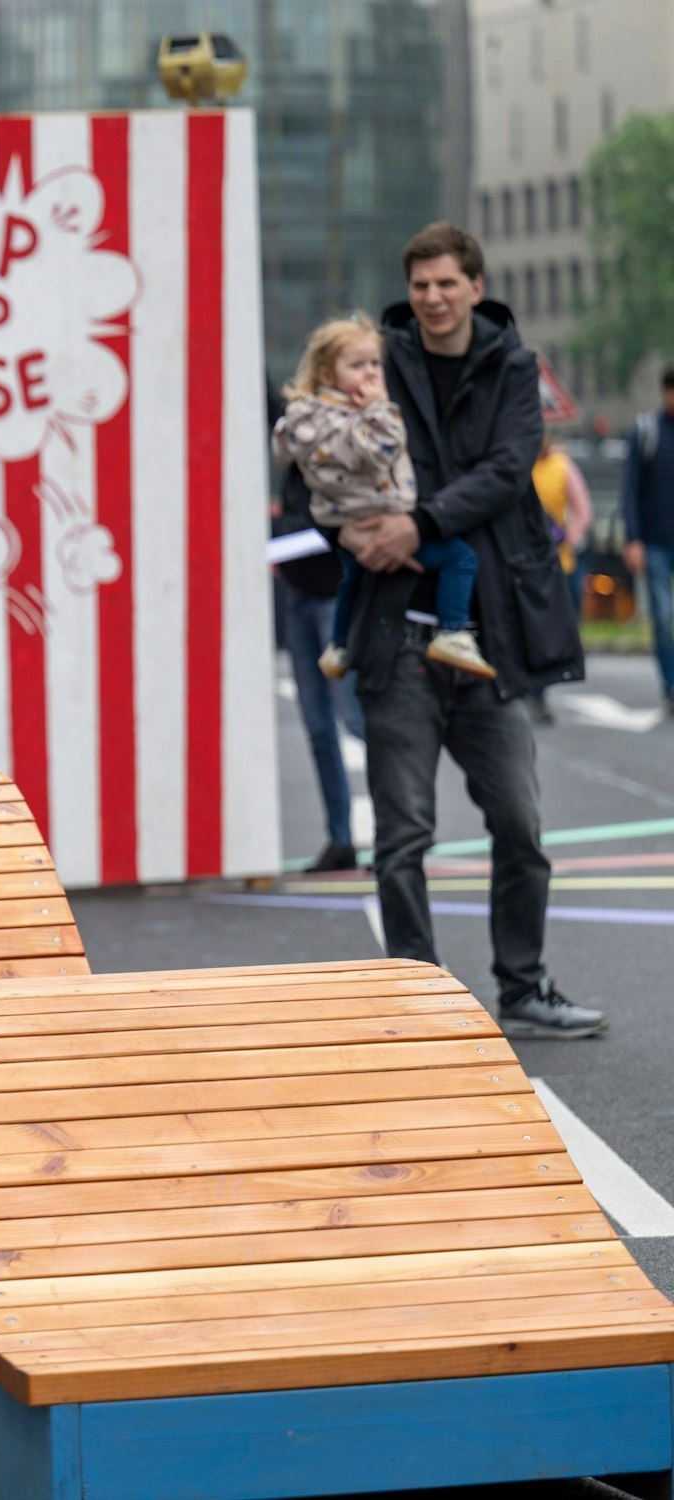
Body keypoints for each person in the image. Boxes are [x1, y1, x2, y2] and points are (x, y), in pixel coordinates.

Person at [345, 222, 600, 1039]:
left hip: (487, 637)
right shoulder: (379, 359)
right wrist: (346, 526)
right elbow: (332, 458)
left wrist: (418, 523)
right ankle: (413, 1000)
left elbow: (507, 464)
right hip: (398, 635)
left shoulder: (513, 366)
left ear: (475, 288)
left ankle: (523, 986)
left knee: (521, 827)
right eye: (420, 284)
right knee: (403, 836)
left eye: (447, 283)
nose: (432, 297)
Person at [272, 315, 493, 683]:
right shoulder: (354, 418)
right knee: (459, 558)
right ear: (327, 375)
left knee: (352, 580)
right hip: (378, 516)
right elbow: (379, 451)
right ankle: (453, 632)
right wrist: (380, 407)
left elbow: (283, 452)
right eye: (358, 365)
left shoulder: (303, 417)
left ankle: (340, 645)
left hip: (344, 522)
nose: (372, 374)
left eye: (375, 363)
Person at [272, 472, 368, 873]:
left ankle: (400, 835)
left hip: (335, 597)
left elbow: (332, 527)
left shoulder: (329, 456)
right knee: (318, 728)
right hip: (301, 597)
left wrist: (273, 538)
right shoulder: (293, 460)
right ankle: (341, 838)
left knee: (356, 719)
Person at [529, 433, 594, 724]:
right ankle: (534, 693)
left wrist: (570, 539)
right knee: (531, 627)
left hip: (560, 561)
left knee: (554, 627)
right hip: (525, 562)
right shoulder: (518, 464)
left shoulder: (562, 466)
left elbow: (583, 511)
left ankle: (542, 686)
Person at [620, 367, 674, 714]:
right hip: (655, 542)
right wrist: (633, 539)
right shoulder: (647, 431)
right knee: (664, 616)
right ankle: (672, 685)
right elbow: (630, 489)